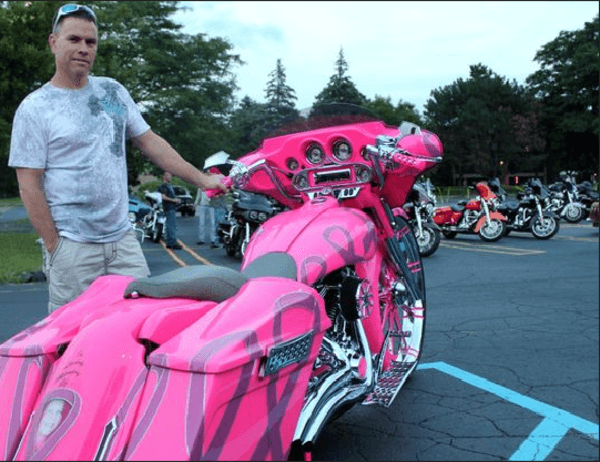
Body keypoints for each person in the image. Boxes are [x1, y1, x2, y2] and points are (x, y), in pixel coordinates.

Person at [8, 4, 227, 313]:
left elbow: (151, 143)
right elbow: (29, 183)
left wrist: (203, 179)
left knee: (138, 329)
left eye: (91, 42)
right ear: (53, 43)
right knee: (73, 342)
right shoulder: (35, 108)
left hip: (122, 242)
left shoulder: (113, 92)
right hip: (73, 246)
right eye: (74, 40)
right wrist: (55, 246)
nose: (84, 48)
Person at [158, 172, 181, 250]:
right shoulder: (163, 186)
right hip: (168, 207)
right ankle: (172, 243)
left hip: (172, 207)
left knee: (170, 225)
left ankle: (170, 242)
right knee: (171, 226)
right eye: (168, 176)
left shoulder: (169, 186)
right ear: (164, 177)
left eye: (171, 176)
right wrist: (174, 200)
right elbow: (163, 197)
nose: (170, 177)